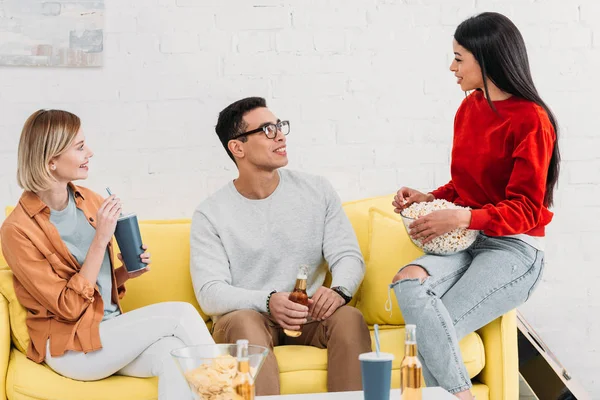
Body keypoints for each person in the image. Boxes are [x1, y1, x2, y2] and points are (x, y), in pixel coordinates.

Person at [391, 12, 559, 400]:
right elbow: (466, 186)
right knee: (407, 281)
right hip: (469, 239)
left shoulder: (531, 120)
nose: (452, 67)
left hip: (515, 248)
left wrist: (462, 215)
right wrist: (429, 197)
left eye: (459, 58)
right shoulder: (469, 109)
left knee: (436, 327)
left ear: (487, 59)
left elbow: (527, 209)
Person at [0, 110, 213, 400]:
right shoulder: (17, 230)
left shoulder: (89, 201)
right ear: (50, 160)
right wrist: (100, 238)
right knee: (181, 314)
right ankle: (232, 391)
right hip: (70, 347)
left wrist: (126, 272)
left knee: (173, 356)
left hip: (110, 333)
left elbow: (97, 285)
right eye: (79, 147)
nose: (90, 152)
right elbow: (69, 306)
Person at [190, 97, 372, 395]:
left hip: (308, 315)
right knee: (246, 326)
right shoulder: (211, 213)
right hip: (248, 318)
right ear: (238, 147)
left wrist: (339, 291)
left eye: (279, 126)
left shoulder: (317, 190)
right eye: (267, 130)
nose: (280, 136)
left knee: (349, 317)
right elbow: (210, 292)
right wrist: (268, 300)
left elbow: (348, 256)